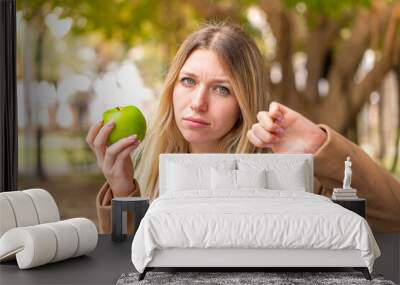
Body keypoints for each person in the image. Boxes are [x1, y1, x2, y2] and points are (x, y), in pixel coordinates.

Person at [86, 22, 400, 234]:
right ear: (172, 87)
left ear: (243, 104)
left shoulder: (287, 177)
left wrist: (319, 147)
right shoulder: (150, 177)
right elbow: (130, 267)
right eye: (188, 81)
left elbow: (394, 218)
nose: (197, 102)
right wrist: (123, 192)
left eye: (221, 89)